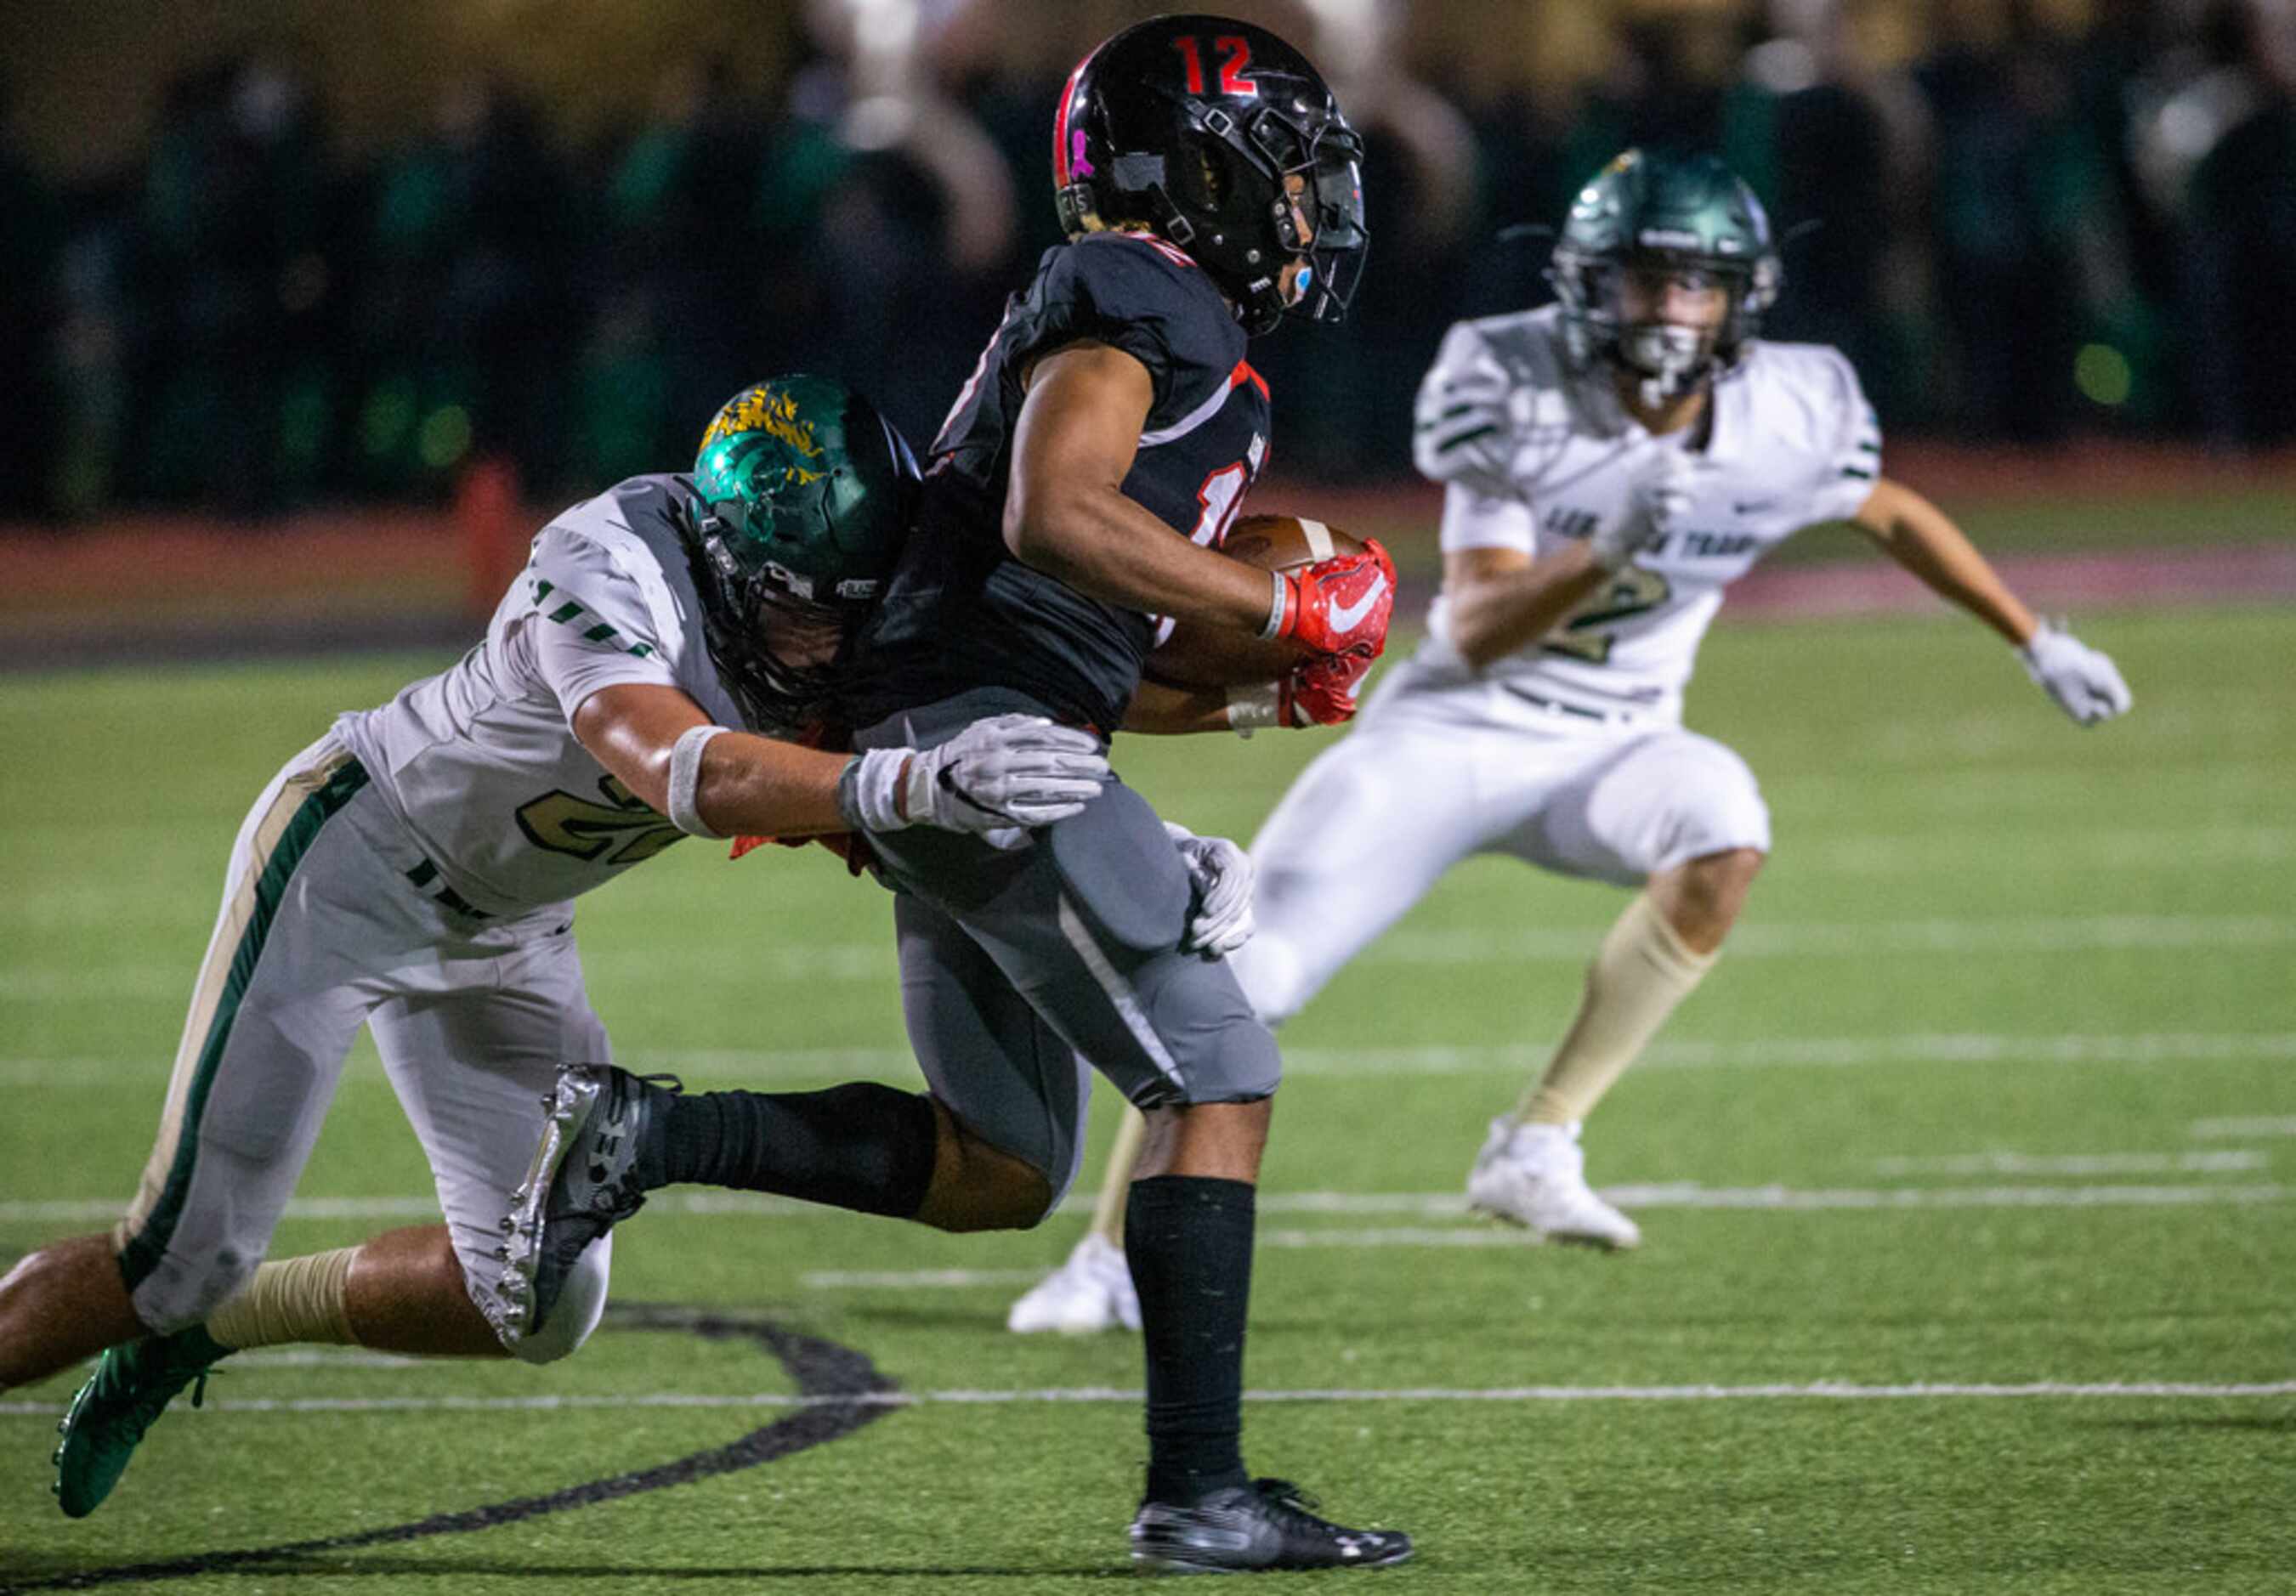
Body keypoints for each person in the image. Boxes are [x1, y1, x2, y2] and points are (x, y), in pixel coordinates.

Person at [501, 15, 1412, 1574]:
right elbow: (1054, 517)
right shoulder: (1143, 285)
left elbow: (1077, 635)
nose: (1308, 202)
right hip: (973, 729)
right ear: (1195, 168)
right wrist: (1272, 610)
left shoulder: (1161, 322)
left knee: (999, 1167)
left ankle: (647, 1133)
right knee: (1218, 1082)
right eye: (1283, 166)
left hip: (972, 719)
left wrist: (1254, 686)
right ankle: (1201, 1491)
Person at [1005, 145, 2134, 1335]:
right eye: (1646, 280)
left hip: (1619, 741)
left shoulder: (1795, 404)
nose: (1669, 310)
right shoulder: (1509, 375)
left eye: (1695, 284)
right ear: (1588, 283)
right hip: (1456, 732)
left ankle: (1536, 1142)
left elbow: (1886, 508)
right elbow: (1480, 621)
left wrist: (2028, 635)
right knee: (1251, 972)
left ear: (1743, 296)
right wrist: (1601, 547)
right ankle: (1109, 1253)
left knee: (1723, 825)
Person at [9, 374, 1112, 1518]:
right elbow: (682, 769)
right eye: (811, 613)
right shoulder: (605, 558)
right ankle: (184, 1300)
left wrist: (1153, 852)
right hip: (351, 872)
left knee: (532, 1302)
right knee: (178, 1254)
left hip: (510, 928)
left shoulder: (795, 594)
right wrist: (900, 782)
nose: (833, 647)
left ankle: (211, 1331)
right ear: (734, 564)